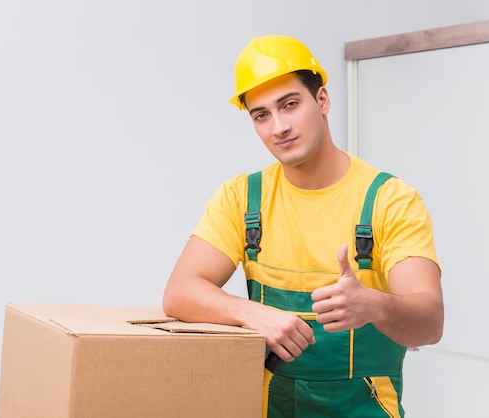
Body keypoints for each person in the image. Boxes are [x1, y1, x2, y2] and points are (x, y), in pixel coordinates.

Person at [162, 34, 444, 418]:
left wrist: (372, 305)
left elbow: (430, 322)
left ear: (322, 100)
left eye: (289, 105)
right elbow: (179, 292)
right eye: (261, 115)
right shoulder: (243, 199)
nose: (278, 127)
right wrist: (251, 313)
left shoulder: (388, 199)